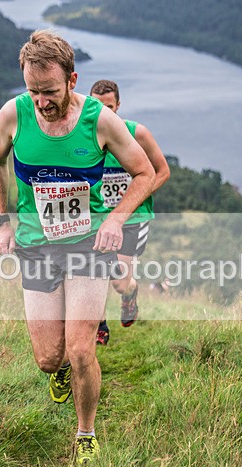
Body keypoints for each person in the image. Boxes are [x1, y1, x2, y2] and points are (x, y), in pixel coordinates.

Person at [0, 30, 156, 464]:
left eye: (50, 91)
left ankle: (86, 433)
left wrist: (116, 219)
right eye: (33, 90)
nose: (42, 101)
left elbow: (145, 173)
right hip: (36, 245)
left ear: (73, 80)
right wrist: (2, 222)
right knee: (49, 358)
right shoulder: (13, 114)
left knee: (81, 349)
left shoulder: (100, 120)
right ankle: (58, 371)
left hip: (87, 243)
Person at [89, 80, 171, 345]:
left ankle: (130, 294)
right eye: (97, 106)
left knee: (119, 282)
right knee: (94, 273)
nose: (104, 113)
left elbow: (162, 172)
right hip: (97, 219)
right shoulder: (84, 137)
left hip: (132, 219)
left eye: (109, 107)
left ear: (119, 105)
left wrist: (133, 200)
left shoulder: (137, 133)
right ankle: (99, 325)